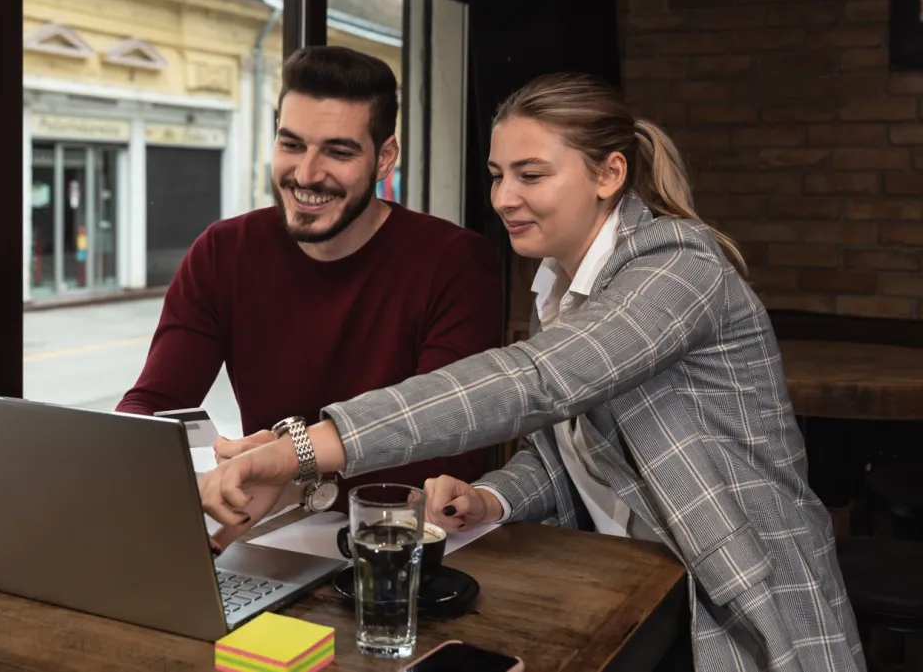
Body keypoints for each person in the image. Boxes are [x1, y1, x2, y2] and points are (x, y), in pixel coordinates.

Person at [199, 73, 864, 672]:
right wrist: (491, 498)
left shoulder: (679, 269)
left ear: (608, 175)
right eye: (497, 174)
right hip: (642, 588)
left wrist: (303, 451)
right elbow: (571, 451)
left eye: (531, 174)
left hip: (740, 592)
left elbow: (533, 381)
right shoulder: (563, 287)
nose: (504, 197)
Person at [117, 45, 502, 508]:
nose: (306, 173)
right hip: (272, 531)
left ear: (384, 158)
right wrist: (213, 456)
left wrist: (287, 466)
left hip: (400, 538)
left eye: (338, 151)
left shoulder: (456, 262)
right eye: (291, 144)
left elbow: (449, 440)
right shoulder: (224, 251)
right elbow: (151, 407)